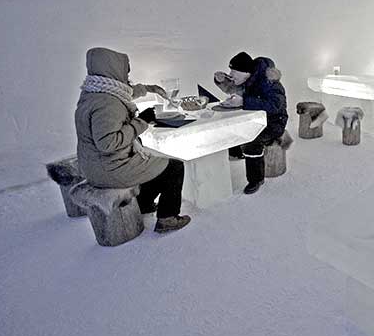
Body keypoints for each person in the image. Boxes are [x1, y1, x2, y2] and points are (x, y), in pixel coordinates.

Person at [74, 47, 191, 233]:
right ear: (113, 70)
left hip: (95, 165)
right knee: (173, 168)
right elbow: (108, 143)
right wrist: (142, 121)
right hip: (109, 169)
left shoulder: (95, 91)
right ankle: (167, 218)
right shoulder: (107, 104)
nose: (127, 73)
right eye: (125, 69)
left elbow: (124, 92)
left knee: (149, 161)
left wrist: (149, 89)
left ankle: (143, 204)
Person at [215, 52, 288, 194]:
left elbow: (275, 105)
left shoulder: (269, 81)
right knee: (233, 128)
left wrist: (244, 101)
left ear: (246, 73)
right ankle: (237, 152)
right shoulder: (249, 79)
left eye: (233, 72)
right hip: (254, 118)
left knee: (252, 141)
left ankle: (256, 180)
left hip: (274, 122)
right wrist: (221, 81)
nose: (231, 74)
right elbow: (233, 87)